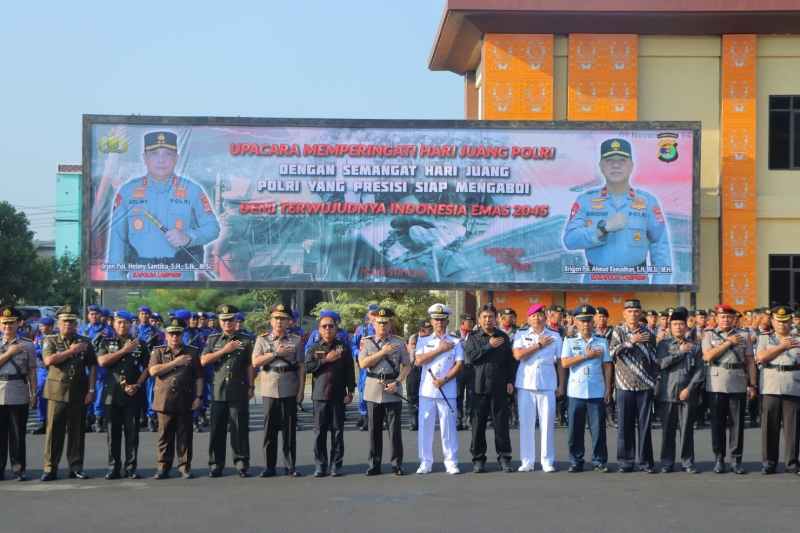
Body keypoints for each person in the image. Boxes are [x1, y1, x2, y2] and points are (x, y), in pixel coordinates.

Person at [106, 130, 221, 281]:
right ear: (145, 158)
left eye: (168, 154)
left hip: (181, 281)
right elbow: (117, 242)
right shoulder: (128, 192)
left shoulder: (192, 190)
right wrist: (116, 285)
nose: (161, 160)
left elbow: (212, 228)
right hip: (140, 279)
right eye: (154, 153)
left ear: (176, 159)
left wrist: (189, 237)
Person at [563, 138, 672, 284]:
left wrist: (660, 286)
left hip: (636, 284)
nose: (615, 165)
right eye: (609, 160)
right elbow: (570, 240)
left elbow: (660, 246)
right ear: (601, 166)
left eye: (622, 160)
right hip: (595, 284)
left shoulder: (648, 202)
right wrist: (602, 229)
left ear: (631, 165)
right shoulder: (585, 200)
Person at [40, 305, 97, 481]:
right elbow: (49, 360)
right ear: (59, 322)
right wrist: (72, 351)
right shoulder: (50, 340)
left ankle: (76, 466)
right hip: (56, 392)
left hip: (78, 392)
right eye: (65, 321)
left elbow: (92, 366)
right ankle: (50, 468)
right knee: (53, 432)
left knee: (77, 432)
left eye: (72, 322)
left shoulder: (85, 341)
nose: (68, 325)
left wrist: (91, 389)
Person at [701, 304, 757, 475]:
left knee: (737, 424)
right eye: (722, 317)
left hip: (737, 381)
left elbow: (750, 361)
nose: (725, 319)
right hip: (717, 383)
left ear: (734, 319)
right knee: (717, 424)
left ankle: (736, 459)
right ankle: (719, 458)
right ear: (716, 319)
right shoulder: (709, 335)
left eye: (728, 317)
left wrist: (753, 384)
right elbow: (708, 356)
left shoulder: (744, 335)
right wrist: (728, 343)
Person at [201, 304, 255, 478]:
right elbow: (204, 360)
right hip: (218, 391)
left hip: (238, 390)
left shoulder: (246, 340)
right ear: (219, 321)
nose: (227, 323)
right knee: (217, 429)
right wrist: (224, 350)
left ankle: (241, 462)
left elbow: (250, 365)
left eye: (230, 320)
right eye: (224, 320)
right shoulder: (213, 340)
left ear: (235, 320)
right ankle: (216, 464)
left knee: (239, 428)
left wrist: (251, 386)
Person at [252, 304, 305, 477]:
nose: (279, 322)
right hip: (269, 387)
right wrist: (275, 353)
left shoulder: (296, 340)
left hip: (289, 386)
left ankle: (290, 466)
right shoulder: (262, 339)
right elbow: (256, 362)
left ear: (289, 321)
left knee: (289, 429)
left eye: (283, 318)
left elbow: (301, 367)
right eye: (276, 318)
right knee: (269, 430)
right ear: (270, 320)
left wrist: (301, 390)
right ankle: (269, 466)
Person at [559, 305, 613, 473]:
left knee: (598, 430)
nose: (585, 324)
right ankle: (576, 461)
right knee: (575, 430)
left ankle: (599, 461)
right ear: (575, 322)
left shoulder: (601, 341)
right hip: (576, 391)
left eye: (589, 321)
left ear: (593, 322)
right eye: (582, 321)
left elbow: (607, 367)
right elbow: (565, 363)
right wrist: (585, 356)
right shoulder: (569, 341)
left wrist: (608, 390)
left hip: (596, 391)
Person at [358, 307, 411, 476]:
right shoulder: (366, 342)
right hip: (373, 388)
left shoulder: (399, 342)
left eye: (385, 323)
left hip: (392, 387)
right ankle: (374, 464)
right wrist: (383, 352)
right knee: (374, 430)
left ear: (390, 324)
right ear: (374, 324)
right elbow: (363, 364)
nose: (382, 326)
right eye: (379, 322)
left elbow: (407, 366)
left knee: (394, 431)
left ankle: (397, 464)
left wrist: (397, 382)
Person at [96, 310, 149, 479]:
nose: (122, 325)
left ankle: (131, 467)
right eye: (119, 322)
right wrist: (124, 351)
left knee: (132, 433)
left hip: (133, 394)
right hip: (112, 394)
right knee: (113, 433)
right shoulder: (106, 341)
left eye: (125, 322)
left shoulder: (140, 344)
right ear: (113, 323)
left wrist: (138, 384)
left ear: (131, 324)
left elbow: (148, 367)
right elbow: (102, 361)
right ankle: (113, 466)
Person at [149, 318, 204, 479]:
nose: (174, 337)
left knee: (185, 436)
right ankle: (163, 467)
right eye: (171, 334)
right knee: (164, 437)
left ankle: (184, 467)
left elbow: (199, 377)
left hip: (185, 399)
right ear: (166, 335)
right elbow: (153, 371)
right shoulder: (158, 351)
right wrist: (176, 362)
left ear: (182, 335)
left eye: (178, 334)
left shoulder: (192, 352)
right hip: (164, 400)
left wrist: (199, 397)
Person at [609, 299, 659, 473]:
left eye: (636, 311)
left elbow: (655, 359)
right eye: (629, 311)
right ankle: (625, 462)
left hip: (645, 385)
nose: (633, 314)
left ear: (641, 313)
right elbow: (612, 353)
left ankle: (645, 462)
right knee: (624, 425)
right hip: (624, 385)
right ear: (624, 314)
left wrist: (654, 381)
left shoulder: (649, 332)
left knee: (645, 426)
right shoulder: (618, 331)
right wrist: (631, 340)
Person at [464, 304, 514, 473]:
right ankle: (478, 459)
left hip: (499, 387)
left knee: (501, 425)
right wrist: (489, 346)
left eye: (490, 317)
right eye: (484, 317)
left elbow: (510, 362)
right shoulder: (473, 337)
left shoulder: (503, 337)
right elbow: (471, 358)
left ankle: (504, 457)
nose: (487, 320)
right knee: (478, 426)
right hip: (478, 388)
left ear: (496, 318)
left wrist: (510, 381)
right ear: (479, 319)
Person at [413, 304, 463, 475]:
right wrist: (439, 349)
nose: (439, 323)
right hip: (427, 391)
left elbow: (459, 364)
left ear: (447, 320)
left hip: (447, 390)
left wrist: (445, 379)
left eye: (442, 319)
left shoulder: (456, 341)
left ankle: (451, 461)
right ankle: (425, 462)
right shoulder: (424, 340)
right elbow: (418, 361)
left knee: (448, 428)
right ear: (431, 321)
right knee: (425, 428)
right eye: (436, 319)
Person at [304, 311, 355, 477]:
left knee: (337, 432)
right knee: (319, 432)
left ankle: (336, 465)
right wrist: (326, 359)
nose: (327, 329)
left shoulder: (343, 348)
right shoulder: (314, 348)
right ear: (319, 329)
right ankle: (320, 465)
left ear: (336, 328)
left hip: (338, 395)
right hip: (320, 396)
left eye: (331, 326)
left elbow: (349, 371)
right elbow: (308, 367)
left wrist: (351, 391)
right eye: (324, 326)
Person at [512, 304, 561, 473]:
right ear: (528, 319)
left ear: (545, 317)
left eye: (540, 315)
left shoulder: (555, 336)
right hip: (526, 384)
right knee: (526, 424)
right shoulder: (520, 335)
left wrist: (560, 384)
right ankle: (527, 460)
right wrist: (538, 345)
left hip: (547, 384)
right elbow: (518, 355)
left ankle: (547, 460)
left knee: (547, 424)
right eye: (533, 315)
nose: (537, 318)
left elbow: (561, 363)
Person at [654, 307, 704, 474]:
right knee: (668, 431)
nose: (678, 327)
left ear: (686, 326)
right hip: (667, 393)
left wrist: (689, 389)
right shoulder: (663, 344)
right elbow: (661, 364)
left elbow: (699, 371)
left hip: (687, 394)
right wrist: (680, 353)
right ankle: (667, 462)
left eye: (681, 324)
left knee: (686, 430)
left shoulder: (695, 347)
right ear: (670, 327)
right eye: (674, 324)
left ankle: (687, 462)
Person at [755, 305, 800, 475]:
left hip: (793, 384)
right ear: (772, 321)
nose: (782, 325)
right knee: (769, 426)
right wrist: (782, 346)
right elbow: (760, 357)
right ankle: (769, 462)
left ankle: (792, 462)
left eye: (785, 321)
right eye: (778, 321)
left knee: (793, 427)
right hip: (771, 385)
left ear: (791, 321)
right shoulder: (765, 338)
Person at [0, 306, 37, 481]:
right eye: (5, 323)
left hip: (18, 390)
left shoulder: (27, 345)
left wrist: (34, 392)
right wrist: (10, 353)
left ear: (18, 324)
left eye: (11, 323)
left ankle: (18, 468)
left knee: (17, 434)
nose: (8, 326)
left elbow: (31, 371)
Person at [81, 304, 114, 433]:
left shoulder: (107, 330)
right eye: (91, 314)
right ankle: (87, 418)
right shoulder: (83, 329)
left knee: (99, 392)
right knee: (85, 391)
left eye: (96, 314)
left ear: (100, 315)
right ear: (88, 316)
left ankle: (98, 419)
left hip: (100, 366)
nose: (94, 316)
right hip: (85, 365)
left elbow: (112, 349)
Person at [351, 304, 379, 431]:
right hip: (365, 366)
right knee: (363, 391)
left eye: (376, 314)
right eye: (372, 314)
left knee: (378, 392)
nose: (374, 317)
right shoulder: (361, 330)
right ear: (368, 315)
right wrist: (358, 354)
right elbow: (353, 346)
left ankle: (378, 419)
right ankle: (365, 417)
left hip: (380, 365)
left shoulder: (384, 329)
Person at [405, 320, 432, 431]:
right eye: (425, 328)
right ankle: (413, 420)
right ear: (420, 329)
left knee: (426, 395)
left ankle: (425, 419)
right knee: (412, 395)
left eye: (429, 328)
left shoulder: (431, 339)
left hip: (427, 370)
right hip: (413, 369)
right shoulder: (414, 338)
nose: (428, 330)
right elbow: (410, 350)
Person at [31, 316, 55, 434]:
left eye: (43, 325)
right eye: (40, 326)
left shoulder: (55, 337)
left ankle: (55, 421)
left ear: (50, 327)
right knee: (40, 393)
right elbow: (35, 350)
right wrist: (42, 352)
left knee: (56, 395)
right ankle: (43, 421)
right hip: (42, 369)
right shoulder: (38, 337)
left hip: (54, 369)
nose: (41, 328)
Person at [454, 313, 475, 431]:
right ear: (462, 323)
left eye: (472, 322)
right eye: (469, 322)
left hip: (471, 369)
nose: (472, 324)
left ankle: (469, 420)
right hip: (458, 369)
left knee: (471, 395)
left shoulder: (475, 335)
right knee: (458, 395)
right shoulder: (454, 335)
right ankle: (458, 420)